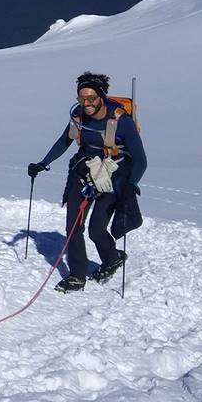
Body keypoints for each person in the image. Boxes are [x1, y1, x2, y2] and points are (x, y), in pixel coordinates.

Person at [28, 71, 147, 293]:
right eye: (81, 99)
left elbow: (140, 160)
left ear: (101, 96)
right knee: (74, 226)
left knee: (96, 229)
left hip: (114, 175)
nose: (86, 103)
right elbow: (65, 141)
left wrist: (130, 185)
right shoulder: (78, 116)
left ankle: (112, 259)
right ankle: (76, 276)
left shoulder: (122, 121)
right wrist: (43, 163)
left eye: (91, 98)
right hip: (83, 171)